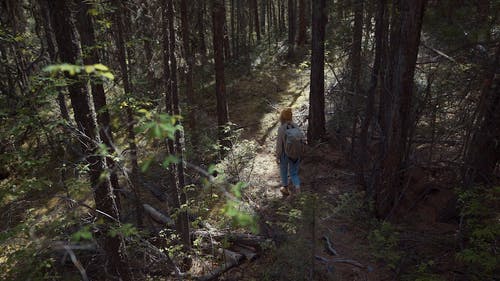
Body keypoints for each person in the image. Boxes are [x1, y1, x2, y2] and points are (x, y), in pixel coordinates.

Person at [275, 107, 305, 196]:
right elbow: (302, 140)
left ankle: (285, 189)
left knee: (283, 171)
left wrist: (277, 156)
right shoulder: (296, 126)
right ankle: (298, 190)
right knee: (294, 173)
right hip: (296, 154)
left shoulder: (281, 129)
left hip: (284, 155)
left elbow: (279, 145)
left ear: (282, 117)